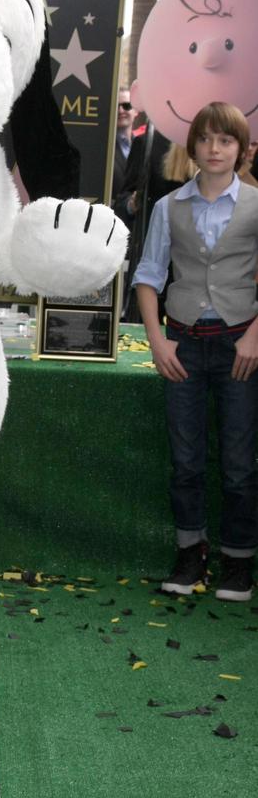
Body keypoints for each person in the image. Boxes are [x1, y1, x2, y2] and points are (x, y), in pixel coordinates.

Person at [133, 101, 258, 601]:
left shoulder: (255, 204)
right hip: (183, 345)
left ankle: (238, 559)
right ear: (193, 146)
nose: (214, 148)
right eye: (205, 139)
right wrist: (157, 339)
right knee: (185, 461)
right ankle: (191, 551)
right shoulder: (169, 208)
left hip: (239, 348)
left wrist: (254, 335)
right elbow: (147, 276)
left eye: (225, 141)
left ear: (242, 150)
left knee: (240, 463)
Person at [112, 87, 136, 206]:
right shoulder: (102, 147)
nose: (121, 110)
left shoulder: (142, 145)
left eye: (127, 105)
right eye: (116, 106)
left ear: (136, 110)